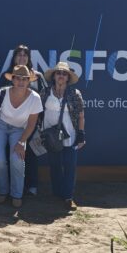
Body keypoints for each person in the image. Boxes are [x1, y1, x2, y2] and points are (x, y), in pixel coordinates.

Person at [0, 64, 43, 208]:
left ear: (29, 81)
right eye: (18, 78)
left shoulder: (35, 98)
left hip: (20, 130)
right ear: (12, 80)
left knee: (17, 159)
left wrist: (21, 143)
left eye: (24, 79)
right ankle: (2, 191)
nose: (21, 82)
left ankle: (17, 194)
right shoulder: (2, 92)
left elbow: (31, 124)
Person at [0, 44, 48, 196]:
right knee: (11, 154)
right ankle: (10, 187)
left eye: (25, 55)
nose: (22, 58)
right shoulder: (7, 76)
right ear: (14, 58)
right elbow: (0, 101)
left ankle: (31, 185)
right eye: (19, 55)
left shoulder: (38, 76)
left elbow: (44, 98)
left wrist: (38, 122)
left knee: (30, 153)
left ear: (29, 58)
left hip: (31, 124)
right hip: (10, 124)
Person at [39, 62, 87, 210]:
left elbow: (80, 116)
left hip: (70, 136)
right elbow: (38, 113)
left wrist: (81, 134)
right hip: (51, 136)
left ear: (68, 78)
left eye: (64, 74)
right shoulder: (45, 92)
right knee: (54, 166)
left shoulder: (74, 94)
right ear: (53, 76)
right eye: (58, 73)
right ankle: (57, 193)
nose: (61, 76)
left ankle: (68, 196)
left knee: (70, 166)